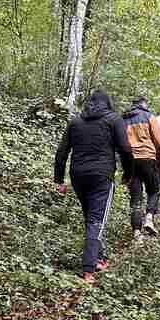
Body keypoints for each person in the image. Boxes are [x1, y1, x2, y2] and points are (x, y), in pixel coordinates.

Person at [54, 89, 134, 280]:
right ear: (108, 103)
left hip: (78, 176)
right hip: (101, 176)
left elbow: (61, 152)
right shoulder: (114, 120)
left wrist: (59, 179)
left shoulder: (75, 122)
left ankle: (99, 258)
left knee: (91, 217)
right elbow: (125, 148)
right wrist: (128, 174)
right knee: (96, 220)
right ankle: (89, 268)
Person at [122, 95, 160, 239]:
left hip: (130, 161)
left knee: (135, 198)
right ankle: (149, 217)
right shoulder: (149, 116)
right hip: (148, 158)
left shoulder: (123, 119)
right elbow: (158, 140)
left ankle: (136, 233)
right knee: (154, 191)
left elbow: (120, 143)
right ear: (143, 104)